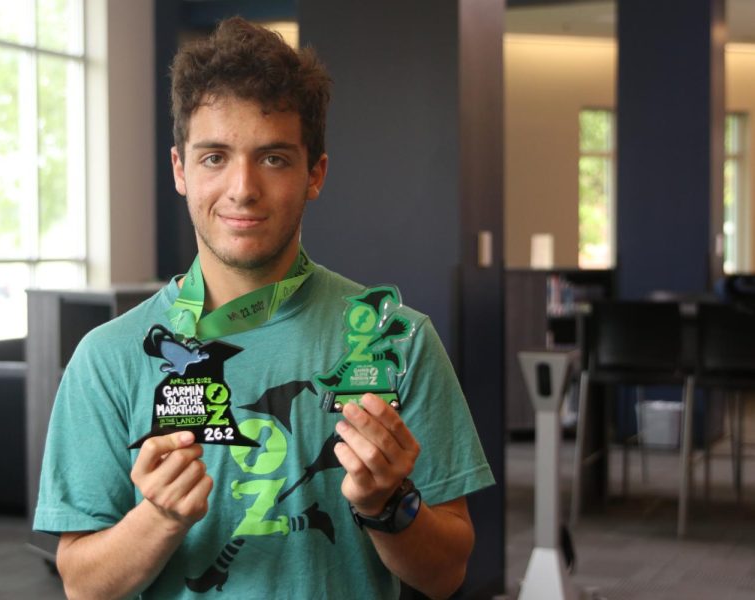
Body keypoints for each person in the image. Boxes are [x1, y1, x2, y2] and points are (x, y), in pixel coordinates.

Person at [34, 17, 494, 600]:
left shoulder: (393, 340)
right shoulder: (110, 357)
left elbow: (446, 572)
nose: (243, 188)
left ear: (315, 174)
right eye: (214, 157)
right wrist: (161, 517)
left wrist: (387, 504)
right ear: (180, 170)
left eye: (273, 158)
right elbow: (81, 584)